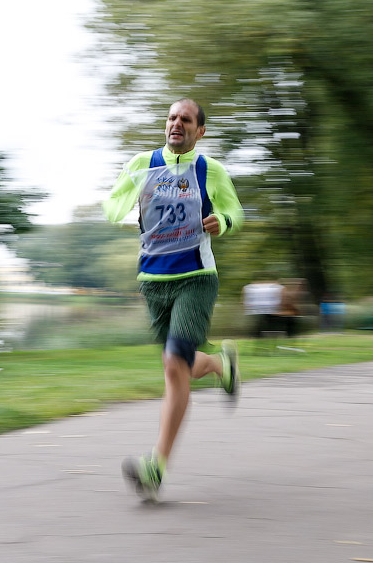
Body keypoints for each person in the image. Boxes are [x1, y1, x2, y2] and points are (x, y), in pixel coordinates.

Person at [103, 98, 244, 500]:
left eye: (185, 119)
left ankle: (156, 467)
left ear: (200, 131)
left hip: (196, 278)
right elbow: (112, 205)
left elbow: (236, 211)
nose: (176, 123)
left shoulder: (209, 170)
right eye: (171, 118)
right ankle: (220, 364)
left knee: (172, 364)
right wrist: (126, 203)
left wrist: (225, 221)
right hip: (153, 280)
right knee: (178, 364)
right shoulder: (142, 164)